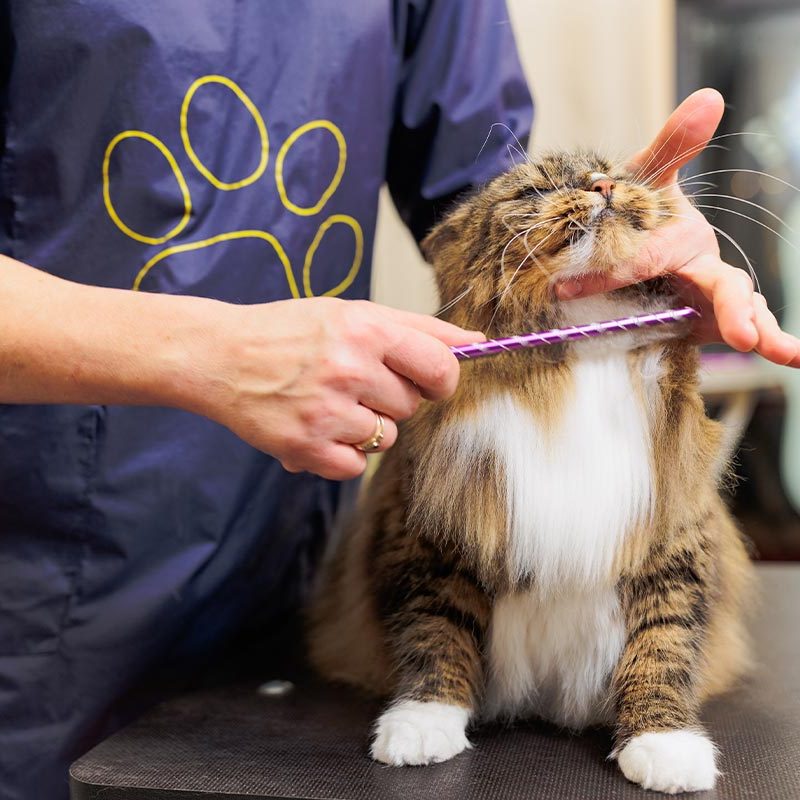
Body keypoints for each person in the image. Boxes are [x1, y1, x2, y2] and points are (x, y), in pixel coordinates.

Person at [0, 2, 797, 798]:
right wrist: (202, 352)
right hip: (51, 561)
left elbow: (480, 191)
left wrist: (621, 255)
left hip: (286, 535)